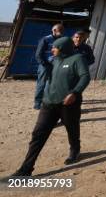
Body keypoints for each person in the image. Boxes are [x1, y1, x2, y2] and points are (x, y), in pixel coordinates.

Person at [12, 37, 90, 176]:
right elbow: (42, 63)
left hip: (68, 104)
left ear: (63, 48)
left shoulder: (77, 59)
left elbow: (85, 76)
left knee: (71, 129)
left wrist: (74, 93)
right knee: (38, 134)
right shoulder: (54, 60)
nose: (52, 49)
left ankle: (74, 150)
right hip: (48, 103)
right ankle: (26, 168)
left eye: (55, 47)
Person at [33, 24, 64, 110]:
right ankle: (38, 103)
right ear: (54, 30)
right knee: (42, 84)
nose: (61, 32)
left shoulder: (61, 40)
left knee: (52, 84)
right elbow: (38, 54)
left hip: (56, 65)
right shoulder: (45, 39)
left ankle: (48, 101)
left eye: (62, 30)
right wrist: (44, 64)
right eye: (60, 30)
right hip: (45, 66)